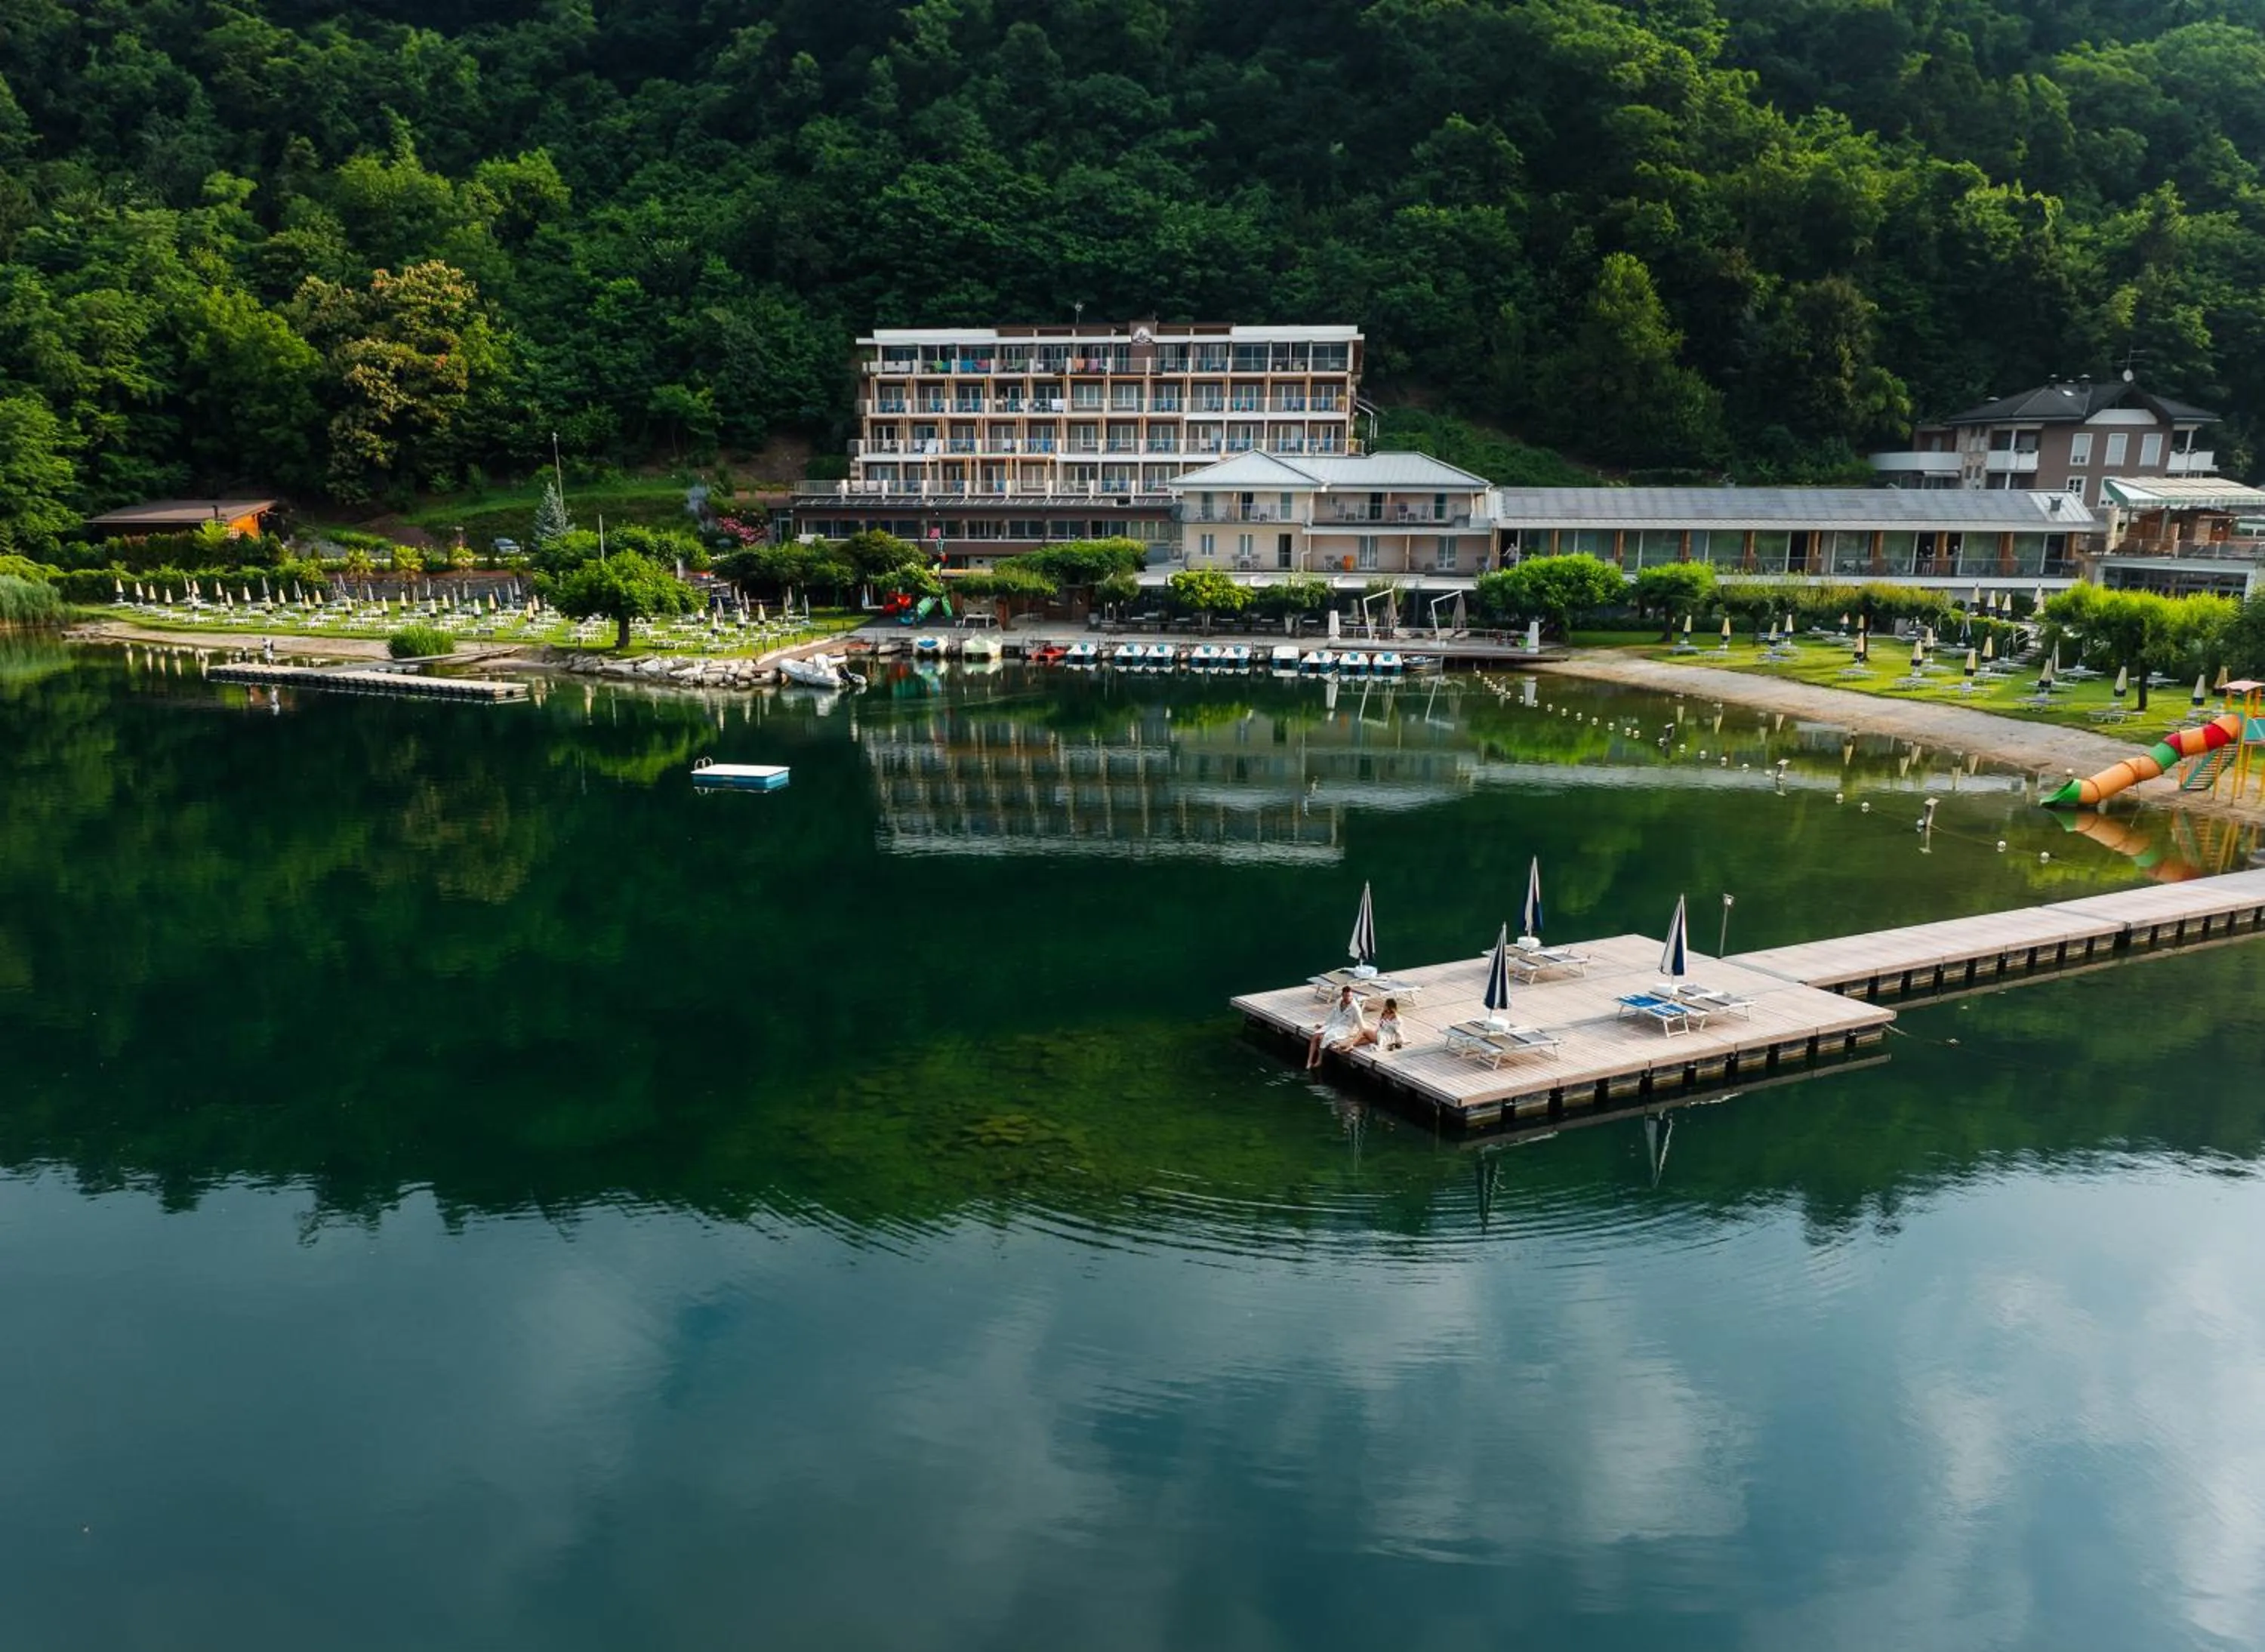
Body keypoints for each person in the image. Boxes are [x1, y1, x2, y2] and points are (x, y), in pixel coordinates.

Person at [1306, 985, 1365, 1070]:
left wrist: (1354, 1040)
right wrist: (1324, 1025)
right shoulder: (1339, 1001)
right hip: (1334, 1024)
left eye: (1349, 996)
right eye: (1345, 996)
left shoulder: (1355, 1008)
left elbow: (1361, 1027)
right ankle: (1309, 1061)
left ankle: (1319, 1060)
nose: (1347, 998)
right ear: (1342, 995)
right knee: (1315, 1036)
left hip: (1344, 1028)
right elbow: (1332, 1014)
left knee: (1325, 1037)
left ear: (1352, 996)